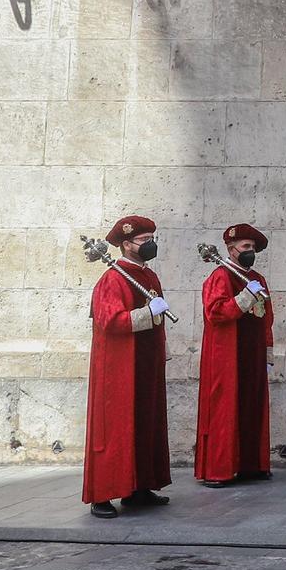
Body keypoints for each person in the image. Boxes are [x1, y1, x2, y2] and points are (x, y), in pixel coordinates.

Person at [84, 215, 172, 519]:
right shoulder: (113, 278)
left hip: (146, 363)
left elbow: (156, 320)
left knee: (146, 424)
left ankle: (140, 487)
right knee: (115, 430)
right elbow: (111, 321)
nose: (150, 244)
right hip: (118, 368)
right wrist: (148, 312)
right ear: (126, 244)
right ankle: (102, 494)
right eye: (144, 240)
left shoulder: (148, 277)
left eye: (151, 239)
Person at [196, 222, 274, 488]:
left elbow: (267, 317)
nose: (250, 251)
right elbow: (215, 313)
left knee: (252, 405)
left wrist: (267, 352)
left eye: (252, 247)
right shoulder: (221, 276)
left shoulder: (258, 279)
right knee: (224, 408)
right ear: (231, 250)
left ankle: (251, 464)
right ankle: (219, 468)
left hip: (251, 352)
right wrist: (243, 298)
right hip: (226, 353)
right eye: (245, 247)